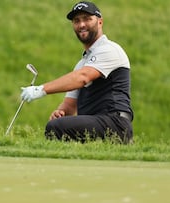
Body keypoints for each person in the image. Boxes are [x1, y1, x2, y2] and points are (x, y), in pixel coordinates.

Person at [20, 1, 134, 144]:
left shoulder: (109, 49)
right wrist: (60, 113)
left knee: (56, 128)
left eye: (87, 19)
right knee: (58, 124)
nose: (81, 25)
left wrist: (41, 89)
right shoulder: (82, 63)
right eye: (76, 21)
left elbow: (82, 78)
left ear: (100, 22)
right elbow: (70, 105)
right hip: (97, 123)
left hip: (115, 123)